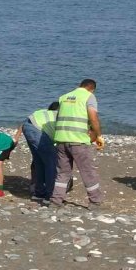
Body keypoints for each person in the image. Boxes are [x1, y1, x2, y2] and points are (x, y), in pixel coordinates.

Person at [50, 79, 104, 208]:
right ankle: (95, 201)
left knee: (63, 173)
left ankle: (56, 201)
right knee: (87, 171)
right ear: (92, 88)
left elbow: (59, 118)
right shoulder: (89, 96)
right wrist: (98, 134)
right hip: (78, 140)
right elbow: (93, 116)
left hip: (61, 138)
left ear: (80, 86)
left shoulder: (64, 97)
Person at [14, 102, 59, 203]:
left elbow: (25, 123)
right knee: (51, 162)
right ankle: (50, 194)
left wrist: (16, 137)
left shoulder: (45, 113)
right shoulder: (59, 116)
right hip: (36, 130)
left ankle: (39, 193)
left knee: (39, 162)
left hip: (28, 125)